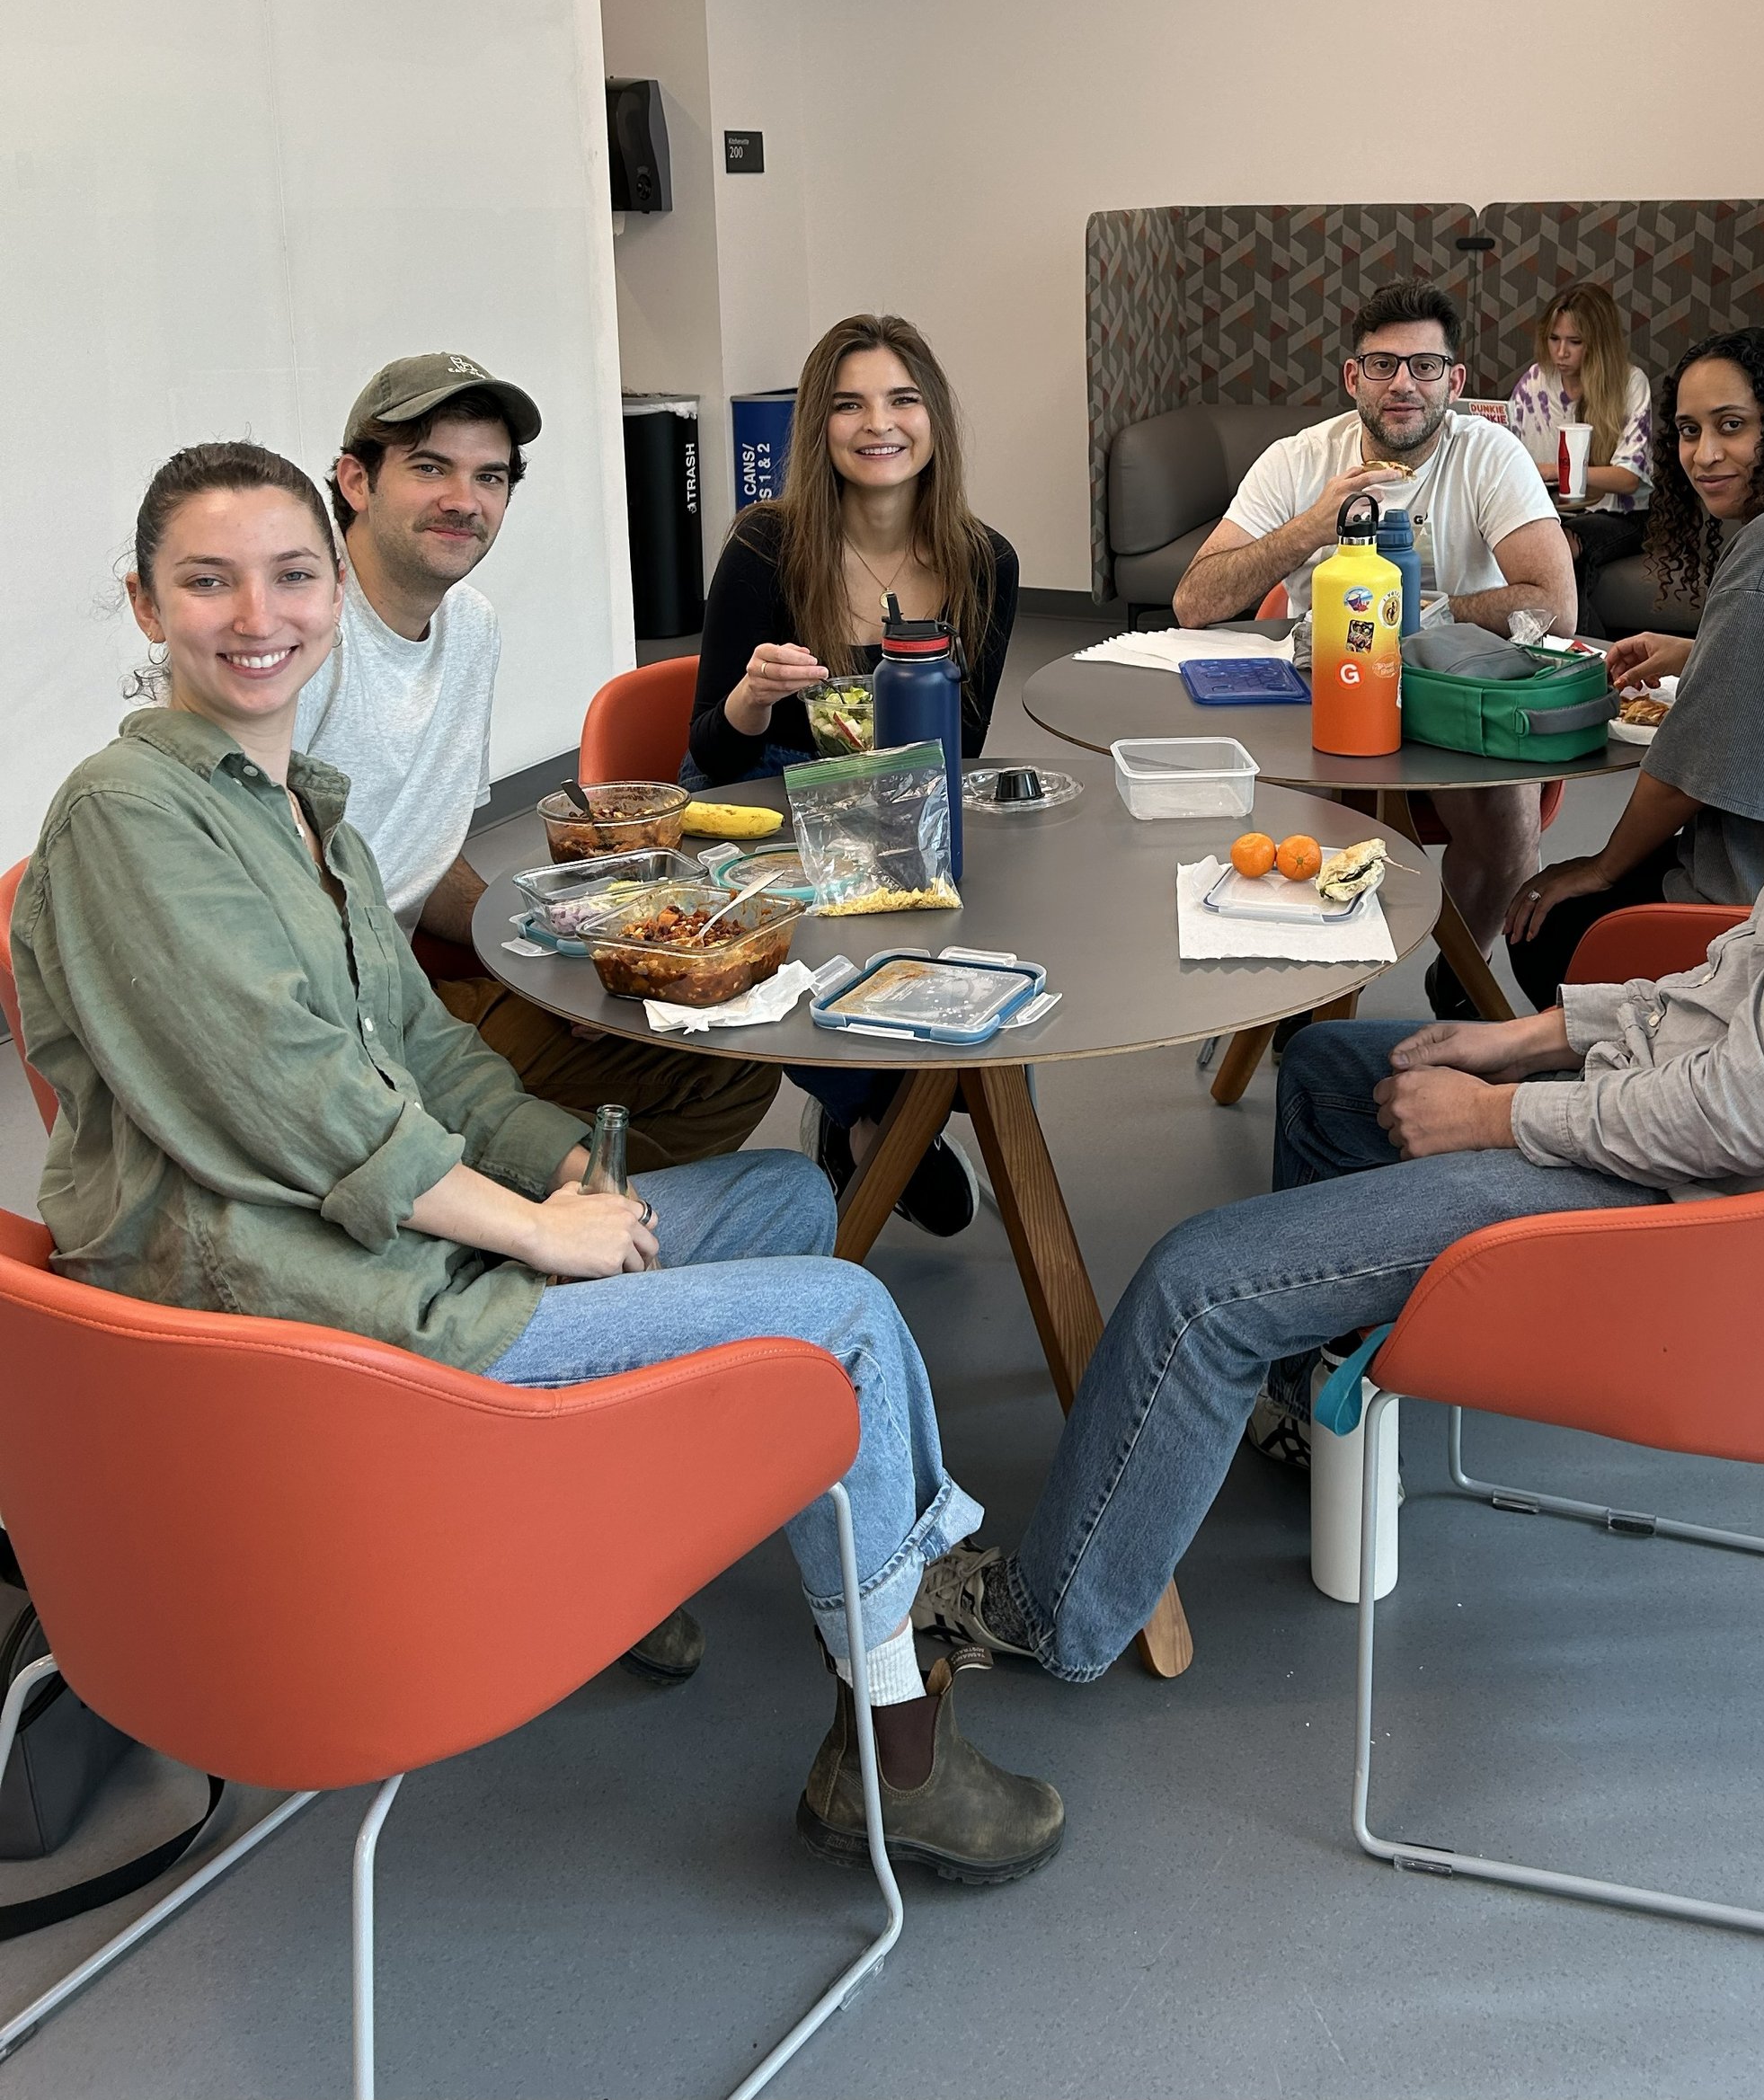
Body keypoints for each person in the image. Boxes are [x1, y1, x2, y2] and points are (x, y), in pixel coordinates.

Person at [909, 395, 1764, 1683]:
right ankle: (1324, 1405)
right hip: (1704, 1124)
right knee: (1329, 1069)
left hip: (1722, 1212)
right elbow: (1740, 987)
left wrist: (1499, 1115)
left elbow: (1754, 1108)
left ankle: (1050, 1611)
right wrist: (1530, 1038)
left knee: (1198, 1284)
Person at [15, 441, 1062, 1884]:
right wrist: (529, 1226)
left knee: (789, 1194)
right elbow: (295, 1106)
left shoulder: (298, 808)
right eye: (208, 580)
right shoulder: (127, 818)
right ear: (145, 606)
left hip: (392, 1262)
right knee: (854, 1320)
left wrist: (560, 1160)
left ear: (331, 592)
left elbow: (429, 1060)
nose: (256, 613)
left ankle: (618, 1529)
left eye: (290, 574)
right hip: (321, 1334)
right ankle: (895, 1754)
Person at [295, 356, 778, 1180]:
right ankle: (520, 1212)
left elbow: (420, 851)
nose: (463, 499)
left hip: (417, 989)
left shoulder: (470, 627)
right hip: (335, 1033)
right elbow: (272, 909)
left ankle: (545, 1212)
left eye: (489, 475)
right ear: (355, 481)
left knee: (734, 1065)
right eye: (428, 467)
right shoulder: (295, 638)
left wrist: (543, 952)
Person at [689, 315, 1020, 1239]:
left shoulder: (983, 560)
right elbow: (711, 753)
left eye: (902, 399)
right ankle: (873, 1119)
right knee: (803, 953)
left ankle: (880, 1116)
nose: (879, 424)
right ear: (816, 427)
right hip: (766, 789)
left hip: (905, 799)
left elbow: (965, 747)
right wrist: (755, 696)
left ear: (934, 419)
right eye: (848, 404)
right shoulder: (765, 545)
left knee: (979, 958)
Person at [1173, 279, 1575, 1015]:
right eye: (1382, 365)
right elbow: (1195, 601)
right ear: (1352, 376)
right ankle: (1301, 991)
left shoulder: (1489, 454)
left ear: (1454, 381)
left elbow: (1555, 603)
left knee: (1512, 818)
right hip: (1318, 690)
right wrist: (1310, 529)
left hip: (1453, 694)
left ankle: (1460, 977)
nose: (1403, 385)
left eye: (1424, 367)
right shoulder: (1299, 459)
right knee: (1271, 816)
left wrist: (1426, 611)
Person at [1503, 329, 1764, 1007]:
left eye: (1732, 426)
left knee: (1544, 931)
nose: (1705, 454)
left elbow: (1700, 766)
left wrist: (1602, 866)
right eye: (1689, 431)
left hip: (1761, 902)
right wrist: (1700, 651)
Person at [1504, 282, 1653, 614]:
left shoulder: (1630, 384)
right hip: (1552, 512)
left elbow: (1630, 478)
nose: (1561, 353)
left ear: (1598, 344)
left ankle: (1578, 651)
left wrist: (1558, 470)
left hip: (1622, 515)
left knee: (1562, 547)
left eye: (1575, 342)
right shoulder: (1534, 382)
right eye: (1554, 339)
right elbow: (1508, 451)